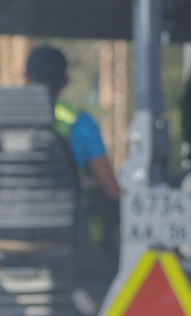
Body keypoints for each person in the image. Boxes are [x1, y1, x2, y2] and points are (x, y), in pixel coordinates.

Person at [24, 45, 124, 202]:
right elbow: (112, 190)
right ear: (65, 82)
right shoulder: (80, 122)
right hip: (66, 223)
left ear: (26, 78)